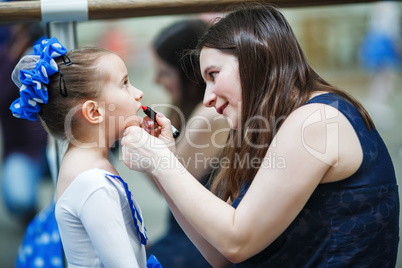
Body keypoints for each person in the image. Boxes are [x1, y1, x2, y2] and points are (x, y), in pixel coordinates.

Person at [121, 3, 400, 267]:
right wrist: (165, 160)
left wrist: (162, 163)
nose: (207, 98)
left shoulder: (315, 121)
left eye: (214, 74)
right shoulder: (273, 125)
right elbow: (220, 254)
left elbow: (236, 243)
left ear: (255, 58)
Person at [10, 37, 161, 267]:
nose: (138, 93)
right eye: (125, 84)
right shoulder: (94, 185)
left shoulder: (84, 163)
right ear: (93, 112)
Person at [147, 19, 228, 267]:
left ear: (190, 74)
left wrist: (142, 147)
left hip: (199, 242)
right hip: (188, 231)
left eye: (164, 72)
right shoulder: (188, 110)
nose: (156, 80)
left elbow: (170, 184)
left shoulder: (209, 117)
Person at [0, 23, 49, 225]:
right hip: (22, 151)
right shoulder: (5, 57)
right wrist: (14, 58)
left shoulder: (53, 52)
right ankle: (31, 220)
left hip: (55, 144)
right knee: (19, 199)